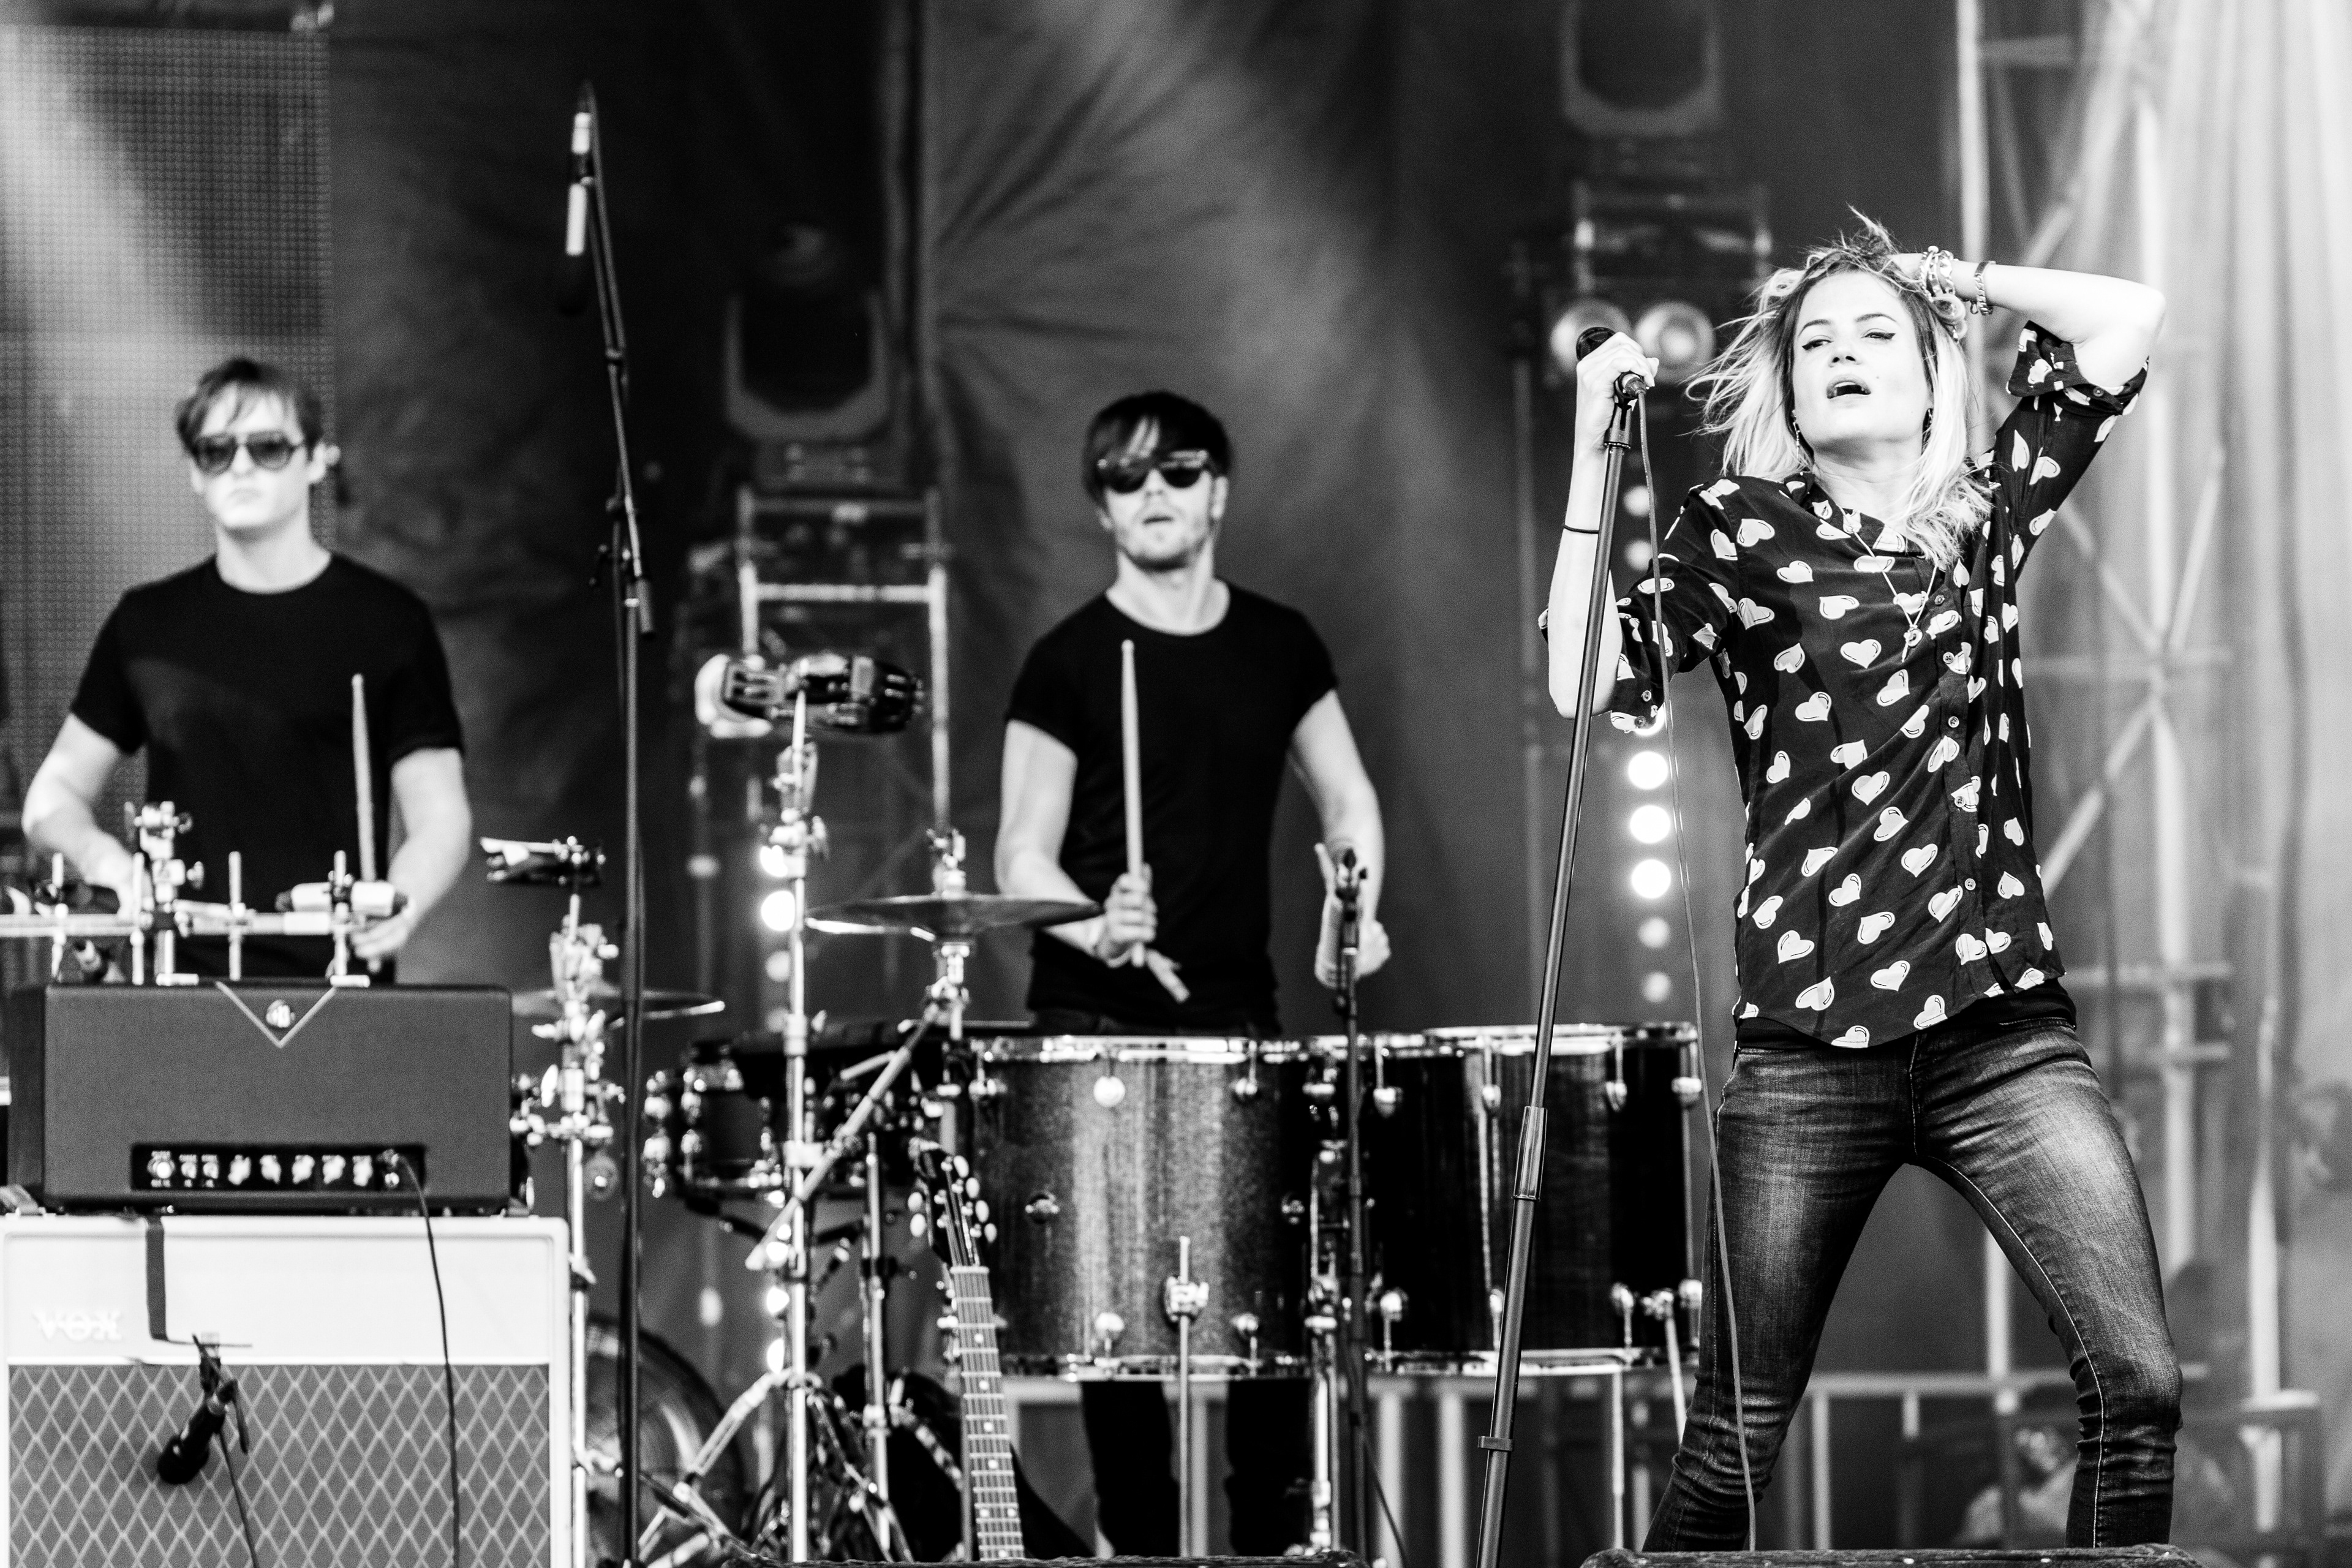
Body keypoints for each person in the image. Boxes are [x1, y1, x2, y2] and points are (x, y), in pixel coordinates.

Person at [1546, 222, 2177, 1547]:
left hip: (2002, 1034)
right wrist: (1595, 455)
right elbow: (1586, 679)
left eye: (1875, 334)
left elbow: (2126, 316)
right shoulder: (1745, 528)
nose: (1841, 352)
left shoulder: (1983, 512)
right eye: (1815, 342)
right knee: (1735, 1431)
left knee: (2138, 1385)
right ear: (1785, 393)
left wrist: (1962, 284)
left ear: (1938, 376)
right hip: (1808, 1044)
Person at [993, 388, 1389, 1551]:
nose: (1152, 492)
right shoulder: (1068, 662)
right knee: (1117, 1331)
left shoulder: (1279, 645)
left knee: (1269, 1316)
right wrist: (1093, 924)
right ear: (1102, 509)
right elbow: (1018, 855)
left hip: (1234, 1012)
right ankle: (1143, 1557)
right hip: (1093, 1020)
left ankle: (1271, 1553)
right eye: (1125, 477)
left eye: (1176, 470)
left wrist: (1353, 905)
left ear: (1218, 489)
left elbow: (1349, 801)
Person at [23, 356, 470, 976]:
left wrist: (402, 900)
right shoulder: (147, 624)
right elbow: (52, 796)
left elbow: (441, 813)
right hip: (174, 983)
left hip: (337, 985)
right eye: (216, 451)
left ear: (317, 460)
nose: (240, 466)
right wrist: (107, 862)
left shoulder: (389, 621)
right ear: (194, 473)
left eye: (268, 448)